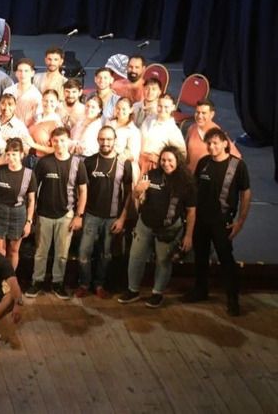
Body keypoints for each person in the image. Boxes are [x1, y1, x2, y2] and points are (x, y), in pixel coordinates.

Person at [118, 146, 196, 308]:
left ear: (177, 162)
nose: (166, 164)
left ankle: (157, 293)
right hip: (145, 225)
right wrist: (137, 192)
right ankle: (133, 290)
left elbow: (191, 212)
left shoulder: (187, 183)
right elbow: (137, 195)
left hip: (168, 229)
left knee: (163, 261)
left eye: (170, 160)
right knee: (136, 257)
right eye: (163, 160)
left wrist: (188, 235)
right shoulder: (151, 175)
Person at [185, 129, 251, 316]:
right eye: (209, 143)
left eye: (215, 143)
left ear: (225, 143)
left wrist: (240, 221)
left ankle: (232, 299)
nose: (211, 147)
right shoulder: (204, 163)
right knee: (200, 257)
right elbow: (194, 190)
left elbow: (245, 193)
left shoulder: (238, 166)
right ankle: (200, 290)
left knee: (226, 260)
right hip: (201, 220)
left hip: (222, 223)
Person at [26, 127, 88, 299]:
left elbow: (83, 191)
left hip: (66, 215)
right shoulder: (44, 162)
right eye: (55, 141)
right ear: (51, 142)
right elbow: (33, 189)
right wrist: (32, 215)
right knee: (40, 252)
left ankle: (57, 283)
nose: (59, 144)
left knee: (62, 254)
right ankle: (36, 282)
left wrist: (79, 215)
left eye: (62, 140)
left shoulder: (77, 164)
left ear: (68, 141)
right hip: (44, 214)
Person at [76, 126, 132, 299]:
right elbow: (81, 190)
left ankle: (99, 285)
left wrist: (122, 218)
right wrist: (81, 213)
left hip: (112, 217)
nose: (105, 142)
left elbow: (129, 193)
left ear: (115, 140)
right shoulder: (89, 162)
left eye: (109, 139)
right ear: (97, 140)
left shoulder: (124, 163)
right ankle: (84, 284)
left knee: (106, 255)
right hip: (91, 215)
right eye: (102, 139)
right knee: (83, 253)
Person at [0, 138, 36, 269]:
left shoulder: (28, 174)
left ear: (21, 155)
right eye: (8, 154)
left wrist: (29, 222)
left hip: (18, 213)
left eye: (14, 154)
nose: (10, 157)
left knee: (13, 251)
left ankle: (9, 279)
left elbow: (31, 200)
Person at [185, 99, 242, 172]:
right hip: (192, 175)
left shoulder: (217, 133)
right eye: (197, 112)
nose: (199, 116)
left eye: (204, 113)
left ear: (212, 114)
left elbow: (236, 158)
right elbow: (185, 152)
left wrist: (226, 180)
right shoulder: (192, 128)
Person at [138, 93, 186, 174]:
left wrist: (161, 160)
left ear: (173, 108)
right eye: (160, 106)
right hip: (138, 158)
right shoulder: (149, 118)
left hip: (153, 166)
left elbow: (182, 155)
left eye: (166, 107)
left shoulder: (174, 131)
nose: (162, 109)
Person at [3, 59, 42, 127]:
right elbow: (0, 112)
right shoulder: (8, 91)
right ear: (16, 73)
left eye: (26, 71)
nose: (23, 74)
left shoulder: (36, 96)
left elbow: (38, 120)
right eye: (20, 71)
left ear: (32, 73)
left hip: (27, 131)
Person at [109, 97, 142, 178]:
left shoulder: (134, 131)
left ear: (131, 110)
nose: (120, 111)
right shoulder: (109, 123)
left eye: (124, 109)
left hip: (122, 168)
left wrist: (113, 158)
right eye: (118, 108)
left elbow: (133, 155)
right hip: (104, 162)